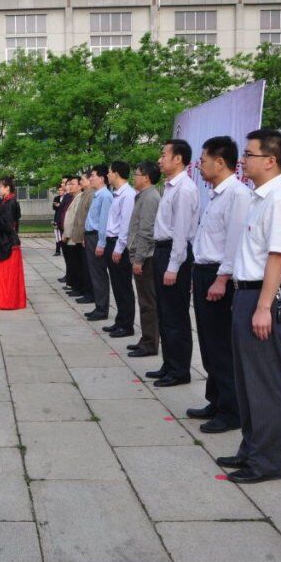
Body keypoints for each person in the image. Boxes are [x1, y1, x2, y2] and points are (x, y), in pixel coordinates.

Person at [217, 129, 281, 484]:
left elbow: (277, 258)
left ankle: (266, 462)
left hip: (266, 296)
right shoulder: (259, 198)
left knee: (265, 383)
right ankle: (251, 450)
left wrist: (264, 306)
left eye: (249, 154)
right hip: (248, 294)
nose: (242, 160)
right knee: (247, 381)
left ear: (270, 160)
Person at [183, 136, 253, 434]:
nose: (200, 166)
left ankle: (231, 410)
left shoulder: (238, 195)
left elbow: (235, 243)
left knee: (221, 346)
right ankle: (215, 399)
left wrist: (222, 278)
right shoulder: (215, 195)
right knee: (209, 344)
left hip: (218, 276)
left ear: (220, 162)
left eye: (203, 160)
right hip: (203, 272)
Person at [147, 139, 199, 387]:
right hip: (162, 251)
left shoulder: (185, 189)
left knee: (175, 315)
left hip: (173, 254)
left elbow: (181, 231)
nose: (160, 160)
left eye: (164, 155)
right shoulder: (170, 187)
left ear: (178, 159)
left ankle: (179, 370)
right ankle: (169, 364)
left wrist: (173, 266)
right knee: (164, 313)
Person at [126, 162, 162, 358]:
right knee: (144, 302)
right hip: (141, 256)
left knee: (148, 303)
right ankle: (146, 338)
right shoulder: (143, 196)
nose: (134, 177)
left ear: (147, 177)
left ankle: (150, 343)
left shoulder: (150, 198)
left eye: (137, 174)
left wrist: (138, 259)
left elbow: (146, 231)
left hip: (146, 258)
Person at [102, 161, 136, 338]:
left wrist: (119, 248)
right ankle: (120, 320)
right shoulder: (117, 194)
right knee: (116, 286)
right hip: (111, 242)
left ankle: (127, 325)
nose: (107, 175)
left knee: (123, 287)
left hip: (119, 245)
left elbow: (126, 224)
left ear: (116, 173)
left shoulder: (128, 195)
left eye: (109, 172)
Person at [0, 176, 26, 310]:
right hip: (7, 241)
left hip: (9, 243)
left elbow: (8, 225)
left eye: (1, 187)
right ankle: (5, 299)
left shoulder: (10, 203)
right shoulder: (5, 201)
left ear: (7, 188)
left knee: (8, 275)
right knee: (5, 274)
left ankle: (8, 301)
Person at [83, 165, 113, 321]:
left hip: (97, 237)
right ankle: (98, 306)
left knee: (99, 273)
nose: (90, 178)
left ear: (102, 178)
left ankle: (102, 309)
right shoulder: (97, 195)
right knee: (94, 273)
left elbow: (103, 222)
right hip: (90, 236)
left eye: (93, 175)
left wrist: (101, 243)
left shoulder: (105, 196)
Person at [68, 173, 94, 299]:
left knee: (86, 267)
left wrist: (84, 236)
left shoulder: (92, 195)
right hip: (79, 236)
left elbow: (89, 218)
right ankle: (83, 290)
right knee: (80, 265)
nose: (81, 182)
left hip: (87, 236)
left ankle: (88, 292)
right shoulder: (84, 194)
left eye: (83, 179)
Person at [55, 178, 74, 281]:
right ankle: (69, 276)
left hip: (68, 231)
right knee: (67, 256)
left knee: (71, 257)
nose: (63, 185)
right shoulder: (66, 196)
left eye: (65, 183)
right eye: (63, 183)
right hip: (62, 228)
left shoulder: (71, 197)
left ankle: (70, 277)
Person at [51, 183, 65, 256]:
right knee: (57, 235)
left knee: (62, 235)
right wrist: (57, 205)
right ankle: (57, 251)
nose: (60, 191)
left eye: (61, 190)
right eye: (59, 190)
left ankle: (65, 249)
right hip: (57, 218)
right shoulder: (56, 198)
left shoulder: (66, 198)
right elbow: (54, 207)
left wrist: (59, 205)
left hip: (63, 219)